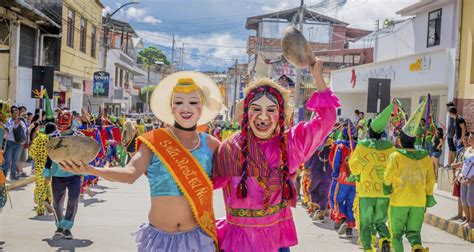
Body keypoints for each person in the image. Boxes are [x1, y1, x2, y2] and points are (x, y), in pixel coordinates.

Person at [59, 72, 222, 251]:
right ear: (171, 107)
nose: (185, 108)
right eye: (178, 102)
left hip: (198, 239)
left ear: (202, 107)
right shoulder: (153, 141)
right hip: (160, 239)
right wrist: (91, 169)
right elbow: (130, 174)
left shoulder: (212, 145)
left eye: (193, 102)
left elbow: (234, 181)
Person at [213, 59, 339, 251]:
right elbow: (203, 187)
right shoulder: (230, 147)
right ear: (246, 113)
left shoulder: (291, 144)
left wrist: (317, 77)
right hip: (238, 242)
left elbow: (327, 118)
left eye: (271, 110)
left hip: (276, 241)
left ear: (280, 115)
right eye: (256, 109)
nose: (263, 116)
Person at [384, 98, 436, 252]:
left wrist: (387, 187)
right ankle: (417, 247)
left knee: (397, 234)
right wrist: (428, 195)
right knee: (414, 233)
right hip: (419, 201)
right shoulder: (425, 157)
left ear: (401, 140)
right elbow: (431, 180)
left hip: (399, 200)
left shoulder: (396, 156)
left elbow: (387, 177)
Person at [349, 102, 395, 252]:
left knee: (366, 222)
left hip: (367, 191)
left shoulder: (362, 146)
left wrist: (358, 171)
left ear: (369, 132)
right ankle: (385, 240)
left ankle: (368, 247)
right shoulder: (390, 147)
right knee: (381, 221)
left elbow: (354, 168)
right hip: (384, 192)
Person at [43, 110, 83, 239]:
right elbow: (48, 156)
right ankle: (60, 225)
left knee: (73, 199)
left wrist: (84, 171)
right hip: (57, 175)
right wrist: (47, 172)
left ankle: (67, 227)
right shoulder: (52, 136)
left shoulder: (79, 135)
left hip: (74, 174)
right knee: (57, 203)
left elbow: (84, 154)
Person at [332, 119, 357, 238]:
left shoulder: (341, 146)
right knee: (351, 204)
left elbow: (337, 162)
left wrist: (335, 174)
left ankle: (342, 219)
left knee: (338, 200)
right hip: (355, 181)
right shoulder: (360, 147)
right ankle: (349, 229)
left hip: (343, 179)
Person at [305, 136, 333, 222]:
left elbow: (308, 159)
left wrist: (306, 168)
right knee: (324, 193)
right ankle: (322, 214)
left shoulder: (315, 146)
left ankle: (317, 210)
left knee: (313, 190)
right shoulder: (332, 148)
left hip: (315, 173)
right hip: (328, 174)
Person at [448, 106, 468, 222]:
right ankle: (459, 214)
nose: (466, 141)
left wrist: (460, 139)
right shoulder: (461, 151)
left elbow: (464, 129)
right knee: (460, 196)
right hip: (458, 175)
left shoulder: (460, 119)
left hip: (465, 176)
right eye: (465, 140)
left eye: (467, 140)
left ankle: (467, 217)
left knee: (466, 198)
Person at [2, 107, 27, 180]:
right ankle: (4, 175)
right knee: (7, 160)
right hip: (10, 143)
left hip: (19, 144)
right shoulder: (9, 121)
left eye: (17, 113)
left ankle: (13, 175)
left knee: (15, 160)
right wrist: (14, 124)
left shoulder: (21, 121)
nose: (16, 115)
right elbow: (7, 130)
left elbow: (25, 130)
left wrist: (21, 125)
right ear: (11, 114)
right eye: (15, 113)